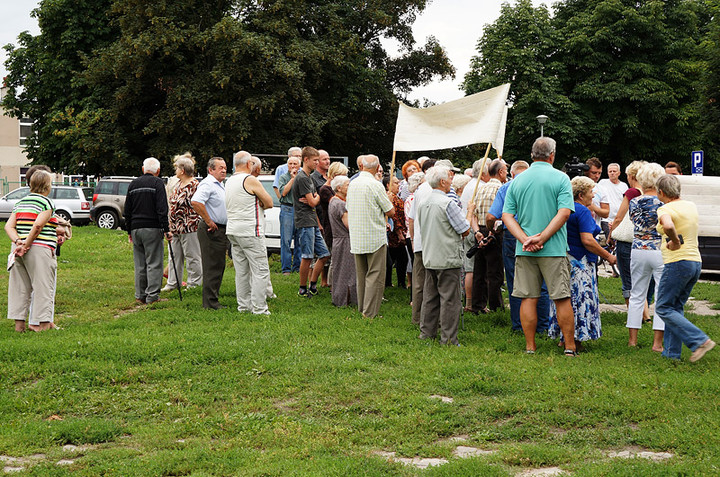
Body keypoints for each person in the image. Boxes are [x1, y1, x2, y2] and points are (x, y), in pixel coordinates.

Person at [502, 137, 577, 355]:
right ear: (552, 155)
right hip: (553, 248)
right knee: (561, 297)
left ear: (532, 154)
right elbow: (563, 213)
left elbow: (507, 215)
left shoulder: (517, 180)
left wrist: (524, 239)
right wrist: (542, 238)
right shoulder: (561, 179)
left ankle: (530, 346)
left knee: (528, 297)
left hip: (524, 249)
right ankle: (570, 347)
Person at [548, 176, 616, 348]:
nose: (593, 196)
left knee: (564, 299)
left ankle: (563, 337)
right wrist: (608, 256)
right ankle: (576, 338)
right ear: (580, 195)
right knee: (580, 300)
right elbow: (587, 240)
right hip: (581, 262)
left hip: (565, 259)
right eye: (590, 192)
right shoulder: (583, 211)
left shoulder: (564, 209)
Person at [655, 174, 715, 361]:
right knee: (675, 307)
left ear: (661, 192)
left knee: (663, 307)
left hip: (677, 262)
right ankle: (671, 354)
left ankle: (700, 340)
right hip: (695, 262)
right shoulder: (691, 206)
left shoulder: (665, 208)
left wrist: (674, 241)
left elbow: (668, 224)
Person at [487, 160, 551, 333]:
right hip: (539, 234)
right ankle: (543, 326)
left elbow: (492, 215)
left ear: (512, 174)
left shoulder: (507, 187)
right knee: (542, 280)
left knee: (516, 281)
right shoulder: (541, 185)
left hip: (512, 235)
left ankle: (519, 325)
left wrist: (491, 230)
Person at [417, 166, 470, 345]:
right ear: (442, 182)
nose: (451, 182)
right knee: (450, 299)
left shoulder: (423, 202)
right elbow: (464, 230)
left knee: (430, 297)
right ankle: (448, 339)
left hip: (430, 255)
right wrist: (470, 212)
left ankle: (426, 334)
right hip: (447, 257)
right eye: (449, 178)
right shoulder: (448, 203)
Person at [5, 170, 61, 332]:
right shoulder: (46, 203)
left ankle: (19, 326)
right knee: (43, 286)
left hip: (17, 249)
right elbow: (38, 225)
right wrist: (27, 244)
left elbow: (8, 226)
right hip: (39, 248)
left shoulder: (20, 203)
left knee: (19, 287)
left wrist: (18, 242)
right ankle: (43, 325)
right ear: (47, 185)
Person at [225, 151, 274, 315]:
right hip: (251, 230)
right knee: (260, 270)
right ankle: (260, 308)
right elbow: (269, 202)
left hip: (233, 229)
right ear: (248, 164)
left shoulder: (229, 181)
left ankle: (244, 306)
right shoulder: (250, 179)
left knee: (242, 271)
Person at [346, 155, 395, 317]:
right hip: (374, 236)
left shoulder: (352, 184)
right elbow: (390, 211)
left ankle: (363, 308)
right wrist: (389, 199)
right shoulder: (376, 185)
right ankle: (369, 312)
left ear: (362, 166)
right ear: (377, 166)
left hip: (358, 235)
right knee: (375, 275)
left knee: (362, 275)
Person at [625, 163, 666, 350]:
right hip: (659, 250)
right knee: (661, 295)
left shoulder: (634, 202)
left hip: (638, 249)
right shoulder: (664, 203)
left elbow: (635, 221)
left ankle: (632, 340)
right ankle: (657, 342)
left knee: (637, 294)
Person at [124, 157, 172, 305]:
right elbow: (162, 208)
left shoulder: (133, 184)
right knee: (154, 262)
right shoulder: (157, 183)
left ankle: (140, 295)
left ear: (143, 169)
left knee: (140, 264)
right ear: (157, 171)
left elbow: (127, 210)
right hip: (152, 227)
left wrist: (129, 231)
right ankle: (152, 296)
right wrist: (166, 229)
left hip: (136, 228)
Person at [609, 161, 651, 318]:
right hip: (643, 240)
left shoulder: (632, 192)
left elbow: (619, 217)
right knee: (641, 280)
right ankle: (646, 315)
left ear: (632, 176)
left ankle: (636, 316)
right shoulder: (649, 192)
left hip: (627, 241)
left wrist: (610, 235)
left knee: (628, 280)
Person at [468, 158, 507, 313]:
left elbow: (473, 213)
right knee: (495, 271)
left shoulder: (481, 188)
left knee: (480, 270)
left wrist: (478, 232)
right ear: (501, 172)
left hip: (481, 230)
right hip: (494, 231)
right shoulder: (502, 189)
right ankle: (496, 306)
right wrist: (491, 234)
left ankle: (478, 305)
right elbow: (499, 214)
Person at [191, 157, 229, 310]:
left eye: (225, 167)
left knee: (218, 264)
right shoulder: (208, 184)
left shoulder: (219, 185)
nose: (224, 170)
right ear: (211, 170)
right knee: (212, 265)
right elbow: (196, 201)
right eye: (220, 167)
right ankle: (210, 303)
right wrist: (208, 220)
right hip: (212, 229)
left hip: (220, 229)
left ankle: (213, 299)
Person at [292, 146, 331, 297]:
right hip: (305, 221)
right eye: (315, 160)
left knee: (324, 254)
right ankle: (302, 288)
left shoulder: (309, 178)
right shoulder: (302, 178)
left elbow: (313, 200)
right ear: (305, 159)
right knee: (307, 256)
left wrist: (315, 197)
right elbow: (313, 202)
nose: (317, 163)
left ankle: (313, 284)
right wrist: (318, 196)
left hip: (312, 221)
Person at [164, 154, 202, 292]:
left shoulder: (194, 185)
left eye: (177, 168)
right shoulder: (177, 184)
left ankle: (194, 284)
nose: (175, 171)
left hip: (189, 227)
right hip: (175, 228)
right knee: (174, 256)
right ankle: (173, 282)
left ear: (183, 170)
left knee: (192, 256)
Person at [328, 175, 357, 307]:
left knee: (339, 270)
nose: (349, 187)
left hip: (338, 240)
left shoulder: (333, 201)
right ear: (339, 188)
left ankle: (340, 298)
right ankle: (346, 299)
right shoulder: (341, 204)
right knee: (348, 271)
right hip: (345, 240)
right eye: (347, 185)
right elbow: (349, 226)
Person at [278, 155, 302, 275]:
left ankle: (297, 267)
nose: (293, 166)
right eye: (290, 164)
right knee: (286, 240)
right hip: (287, 209)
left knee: (299, 240)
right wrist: (292, 179)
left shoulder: (303, 177)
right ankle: (286, 268)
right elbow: (283, 193)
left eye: (295, 164)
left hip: (300, 210)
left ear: (299, 165)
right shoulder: (283, 177)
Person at [383, 174, 408, 288]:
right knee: (394, 259)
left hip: (400, 231)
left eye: (398, 182)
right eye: (395, 183)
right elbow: (394, 216)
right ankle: (390, 283)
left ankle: (399, 282)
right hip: (393, 233)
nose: (398, 185)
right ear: (388, 185)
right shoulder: (389, 198)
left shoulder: (396, 197)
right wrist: (399, 232)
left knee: (400, 259)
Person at [585, 157, 609, 228]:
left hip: (594, 231)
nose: (597, 176)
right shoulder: (577, 185)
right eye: (594, 173)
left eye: (599, 173)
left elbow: (606, 213)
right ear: (586, 171)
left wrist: (594, 208)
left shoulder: (601, 189)